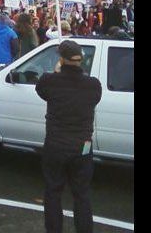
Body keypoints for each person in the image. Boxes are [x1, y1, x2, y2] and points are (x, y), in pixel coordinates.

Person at [35, 41, 102, 233]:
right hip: (83, 146)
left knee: (53, 192)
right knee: (81, 193)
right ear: (81, 59)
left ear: (61, 59)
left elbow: (41, 90)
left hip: (56, 145)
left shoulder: (50, 81)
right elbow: (95, 99)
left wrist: (58, 72)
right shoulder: (93, 85)